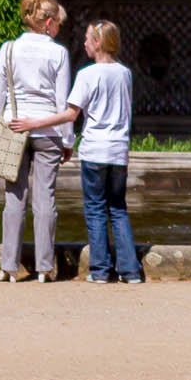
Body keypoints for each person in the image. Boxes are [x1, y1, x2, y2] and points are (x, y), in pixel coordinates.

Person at [39, 20, 140, 283]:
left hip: (95, 150)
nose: (83, 43)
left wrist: (35, 123)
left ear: (97, 43)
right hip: (119, 151)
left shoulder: (87, 74)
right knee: (117, 209)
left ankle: (101, 270)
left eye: (87, 39)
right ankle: (130, 271)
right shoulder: (125, 73)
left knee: (95, 209)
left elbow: (71, 113)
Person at [0, 0, 70, 283]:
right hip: (47, 129)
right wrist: (68, 139)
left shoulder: (8, 48)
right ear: (48, 23)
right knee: (44, 199)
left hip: (14, 128)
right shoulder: (58, 53)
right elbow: (63, 102)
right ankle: (44, 267)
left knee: (14, 199)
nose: (60, 28)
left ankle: (8, 266)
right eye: (59, 23)